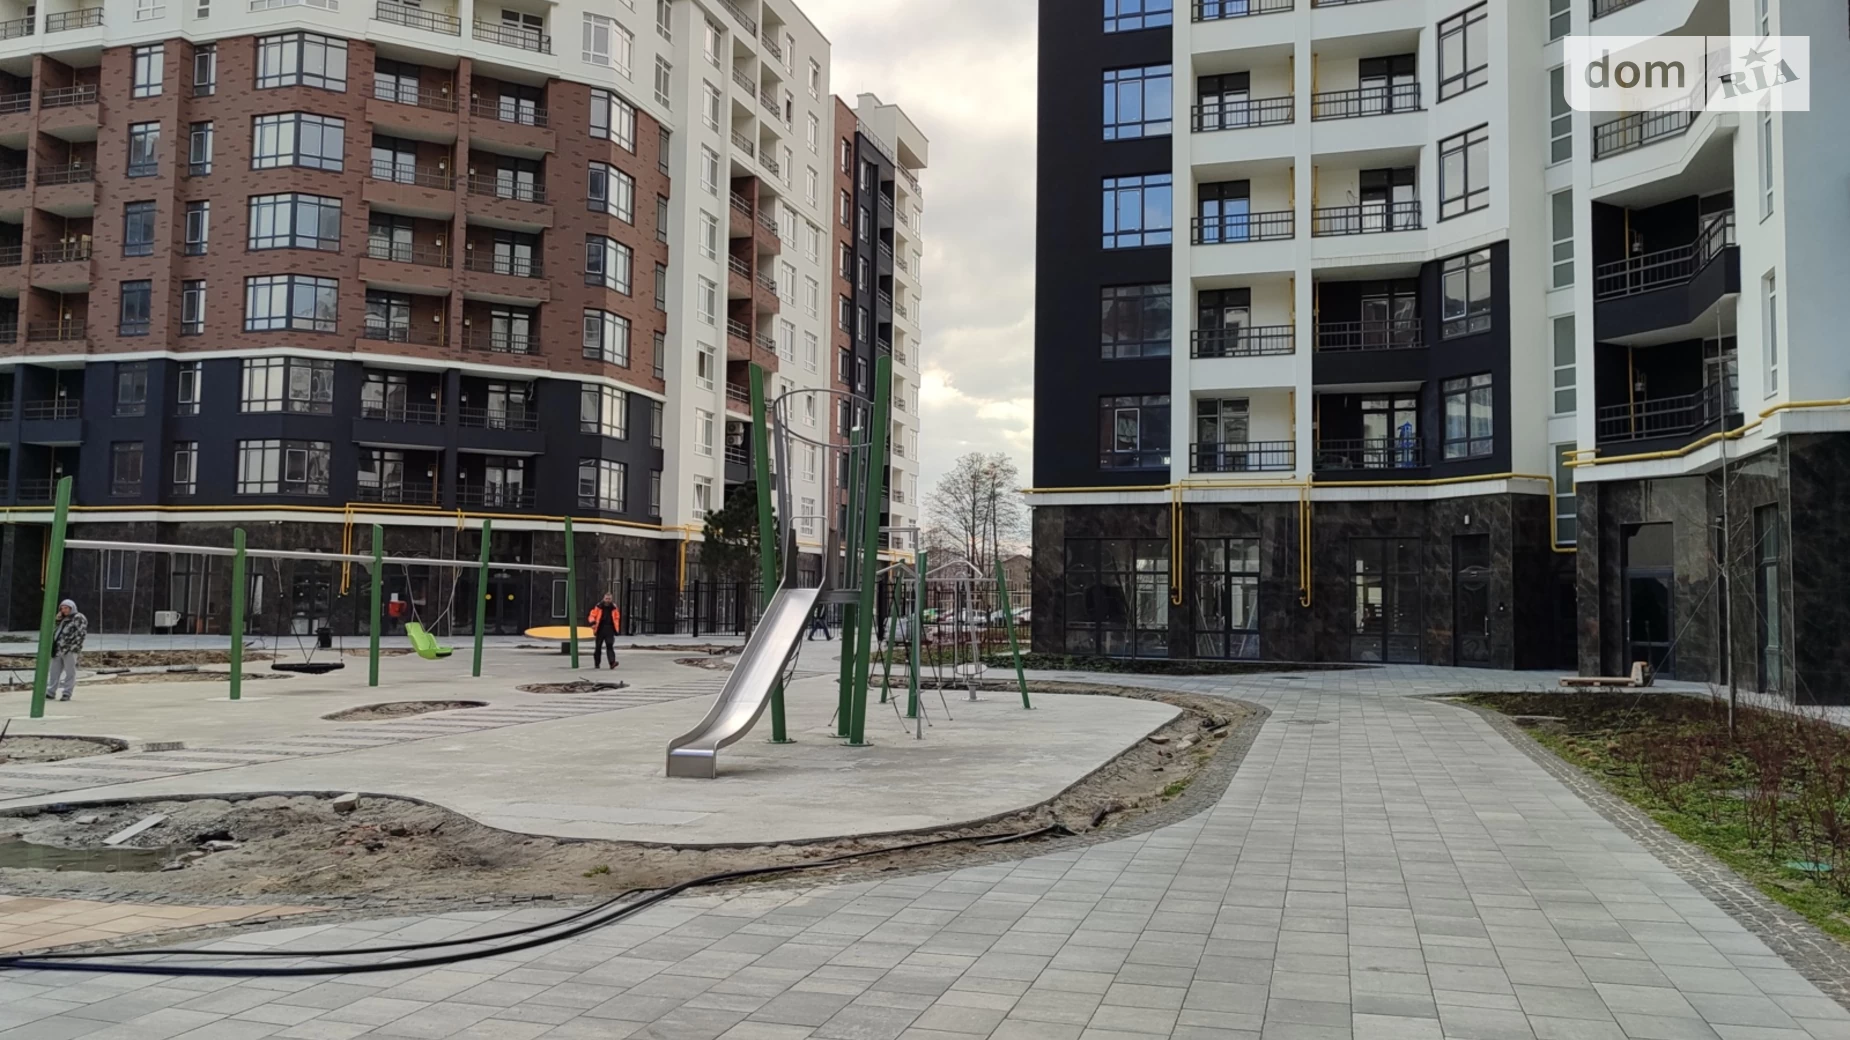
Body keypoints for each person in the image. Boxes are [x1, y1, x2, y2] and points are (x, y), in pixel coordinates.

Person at [49, 599, 87, 702]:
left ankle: (67, 693)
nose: (64, 610)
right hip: (58, 649)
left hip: (69, 650)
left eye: (66, 608)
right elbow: (56, 631)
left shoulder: (78, 617)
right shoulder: (63, 619)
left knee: (70, 672)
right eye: (62, 608)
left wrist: (73, 648)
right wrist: (58, 620)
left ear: (72, 608)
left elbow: (81, 634)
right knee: (54, 671)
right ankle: (51, 691)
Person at [588, 594, 621, 669]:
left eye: (609, 599)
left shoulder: (614, 608)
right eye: (606, 598)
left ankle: (612, 662)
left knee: (610, 645)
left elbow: (617, 618)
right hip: (600, 628)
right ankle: (597, 663)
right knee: (598, 647)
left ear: (611, 599)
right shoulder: (598, 606)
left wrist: (616, 629)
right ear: (604, 598)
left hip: (609, 629)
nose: (608, 600)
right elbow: (592, 615)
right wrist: (593, 623)